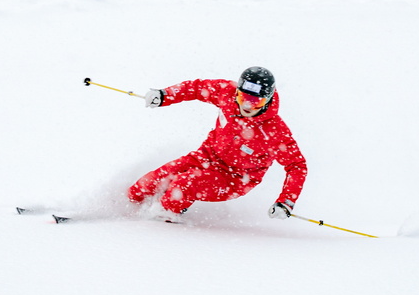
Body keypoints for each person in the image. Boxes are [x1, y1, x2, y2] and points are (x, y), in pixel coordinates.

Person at [127, 66, 307, 219]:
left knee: (183, 185)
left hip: (235, 178)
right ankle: (126, 206)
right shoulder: (227, 93)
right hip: (206, 156)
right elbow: (196, 88)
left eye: (255, 102)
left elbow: (297, 166)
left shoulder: (274, 131)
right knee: (153, 181)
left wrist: (286, 202)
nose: (246, 106)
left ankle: (161, 222)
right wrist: (165, 95)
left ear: (267, 101)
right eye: (243, 98)